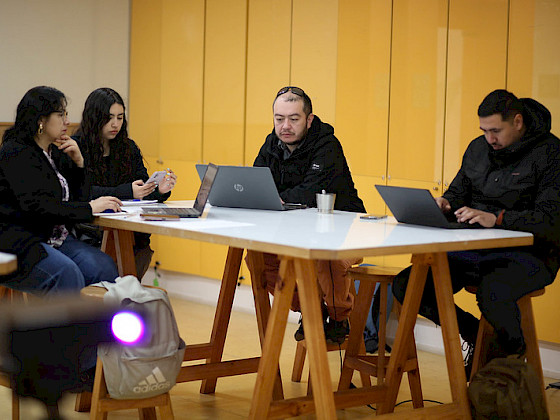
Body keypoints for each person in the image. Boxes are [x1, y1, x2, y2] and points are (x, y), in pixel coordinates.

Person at [392, 89, 560, 376]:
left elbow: (550, 219)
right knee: (409, 285)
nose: (490, 139)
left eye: (496, 131)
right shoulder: (478, 148)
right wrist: (445, 204)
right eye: (484, 131)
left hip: (530, 255)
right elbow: (458, 193)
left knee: (494, 291)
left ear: (518, 122)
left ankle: (512, 353)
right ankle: (475, 334)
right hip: (473, 248)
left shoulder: (551, 154)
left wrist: (496, 218)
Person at [250, 86, 366, 344]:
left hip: (348, 229)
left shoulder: (327, 145)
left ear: (309, 119)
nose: (285, 126)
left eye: (294, 119)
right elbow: (258, 182)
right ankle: (310, 309)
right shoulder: (271, 144)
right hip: (298, 231)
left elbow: (312, 191)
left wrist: (277, 198)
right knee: (258, 256)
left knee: (327, 260)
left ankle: (338, 317)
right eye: (279, 119)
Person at [0, 86, 121, 297]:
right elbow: (39, 207)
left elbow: (78, 198)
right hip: (21, 242)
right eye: (61, 114)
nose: (67, 121)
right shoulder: (16, 152)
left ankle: (96, 328)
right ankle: (66, 330)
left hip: (55, 239)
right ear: (41, 120)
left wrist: (79, 164)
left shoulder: (56, 152)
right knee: (66, 274)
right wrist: (89, 208)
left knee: (103, 267)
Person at [73, 87, 177, 280]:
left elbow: (142, 189)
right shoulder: (76, 146)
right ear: (94, 117)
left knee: (137, 252)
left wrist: (159, 190)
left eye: (120, 117)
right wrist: (127, 191)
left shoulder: (127, 147)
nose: (115, 124)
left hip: (130, 234)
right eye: (109, 117)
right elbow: (79, 192)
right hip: (90, 231)